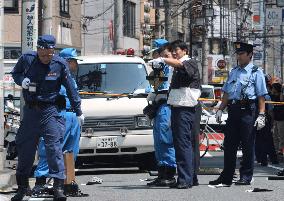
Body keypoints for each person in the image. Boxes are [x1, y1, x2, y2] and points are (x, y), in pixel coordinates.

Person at [11, 35, 84, 201]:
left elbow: (71, 89)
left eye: (50, 54)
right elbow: (15, 73)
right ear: (38, 49)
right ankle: (22, 188)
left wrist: (78, 111)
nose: (47, 58)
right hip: (31, 111)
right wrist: (22, 81)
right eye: (44, 54)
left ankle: (58, 188)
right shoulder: (27, 59)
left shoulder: (59, 64)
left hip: (50, 110)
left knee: (54, 148)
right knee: (25, 149)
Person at [209, 41, 267, 186]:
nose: (239, 57)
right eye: (238, 54)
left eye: (242, 54)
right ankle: (227, 176)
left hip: (248, 110)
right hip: (233, 110)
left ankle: (246, 176)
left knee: (247, 144)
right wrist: (220, 108)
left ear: (250, 55)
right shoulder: (234, 71)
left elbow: (261, 96)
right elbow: (227, 93)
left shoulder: (256, 72)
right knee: (229, 145)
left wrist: (261, 114)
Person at [150, 40, 201, 189]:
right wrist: (157, 69)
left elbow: (182, 68)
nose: (172, 54)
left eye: (173, 51)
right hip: (173, 106)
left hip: (184, 107)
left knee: (180, 143)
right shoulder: (169, 67)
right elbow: (155, 85)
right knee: (176, 143)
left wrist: (165, 61)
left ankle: (183, 177)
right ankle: (184, 177)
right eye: (166, 53)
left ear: (184, 50)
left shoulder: (188, 62)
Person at [32, 48, 82, 196]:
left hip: (73, 116)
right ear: (66, 61)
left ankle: (67, 181)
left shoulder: (70, 77)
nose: (75, 64)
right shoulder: (55, 74)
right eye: (73, 61)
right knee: (51, 149)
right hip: (60, 114)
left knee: (71, 151)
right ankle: (40, 181)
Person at [146, 42, 176, 187]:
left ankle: (169, 174)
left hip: (167, 106)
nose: (159, 57)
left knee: (166, 139)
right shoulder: (160, 68)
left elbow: (167, 87)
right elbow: (155, 85)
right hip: (159, 107)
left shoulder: (173, 68)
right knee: (158, 141)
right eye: (158, 54)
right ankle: (161, 173)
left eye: (164, 55)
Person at [255, 75, 278, 166]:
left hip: (257, 117)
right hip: (265, 118)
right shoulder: (267, 96)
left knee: (258, 139)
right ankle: (272, 159)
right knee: (268, 139)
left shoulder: (254, 95)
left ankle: (261, 158)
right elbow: (270, 111)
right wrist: (271, 122)